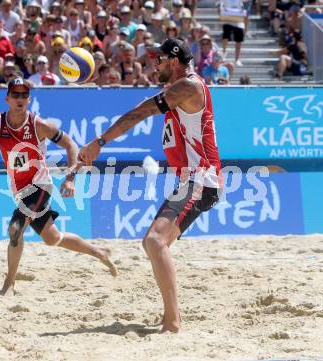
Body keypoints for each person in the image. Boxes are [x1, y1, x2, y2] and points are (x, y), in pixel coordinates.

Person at [79, 38, 222, 332]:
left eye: (157, 60)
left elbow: (139, 112)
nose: (153, 65)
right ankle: (170, 315)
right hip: (192, 179)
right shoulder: (180, 91)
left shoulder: (189, 86)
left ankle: (173, 322)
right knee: (156, 244)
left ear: (173, 59)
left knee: (155, 241)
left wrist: (100, 141)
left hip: (202, 178)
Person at [0, 77, 117, 296]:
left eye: (24, 95)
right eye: (15, 94)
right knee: (52, 238)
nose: (20, 98)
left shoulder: (38, 124)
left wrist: (70, 176)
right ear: (7, 98)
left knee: (15, 229)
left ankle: (9, 284)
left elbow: (70, 144)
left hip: (40, 185)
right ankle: (99, 252)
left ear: (29, 99)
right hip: (19, 189)